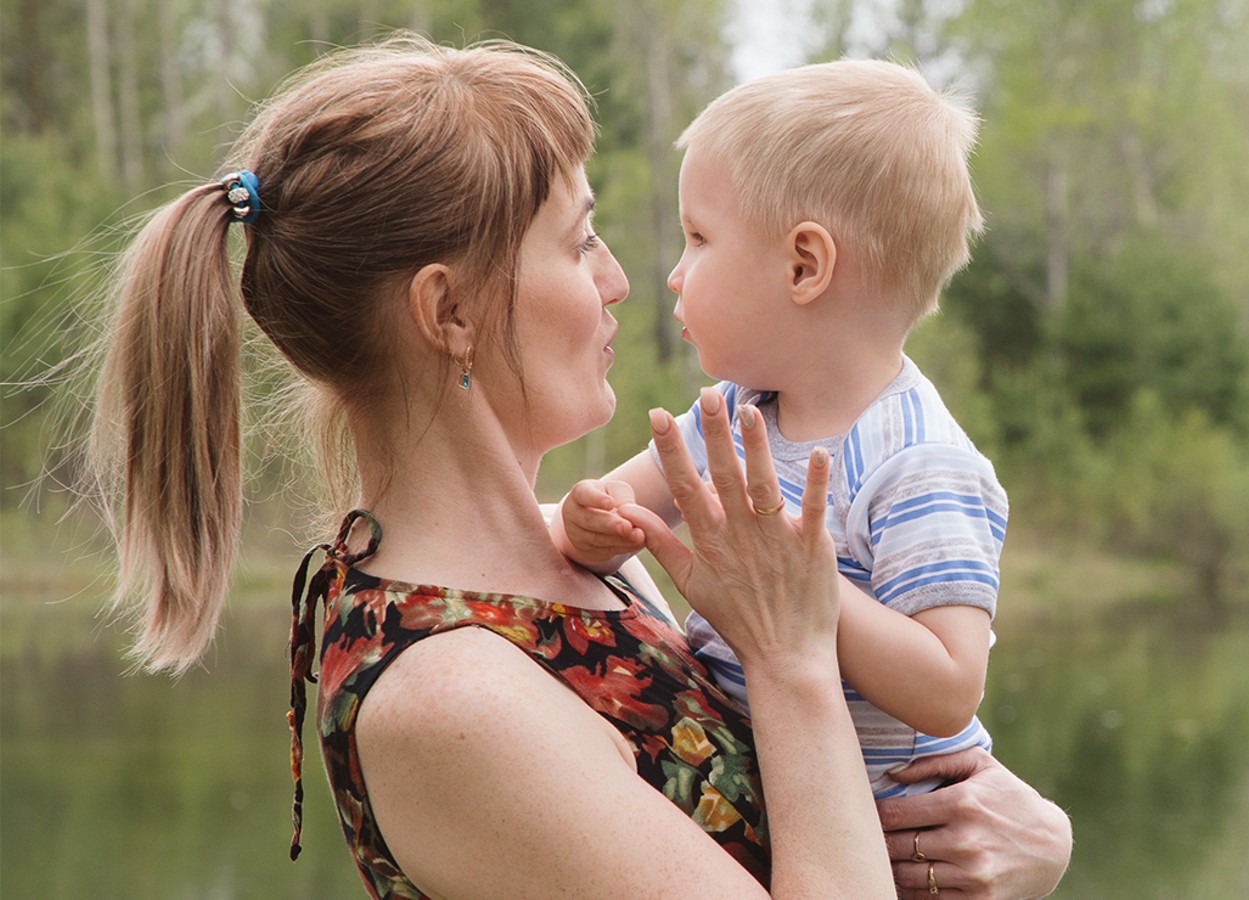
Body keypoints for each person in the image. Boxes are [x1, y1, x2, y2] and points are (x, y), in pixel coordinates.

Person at [87, 34, 1070, 899]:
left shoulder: (580, 569)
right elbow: (795, 698)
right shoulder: (449, 699)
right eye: (579, 240)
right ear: (450, 315)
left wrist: (1025, 842)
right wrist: (790, 657)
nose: (621, 281)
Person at [551, 60, 1004, 799]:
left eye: (698, 239)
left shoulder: (916, 462)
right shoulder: (737, 411)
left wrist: (800, 583)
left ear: (803, 266)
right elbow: (610, 508)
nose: (672, 273)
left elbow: (949, 687)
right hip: (762, 796)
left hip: (888, 841)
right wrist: (590, 520)